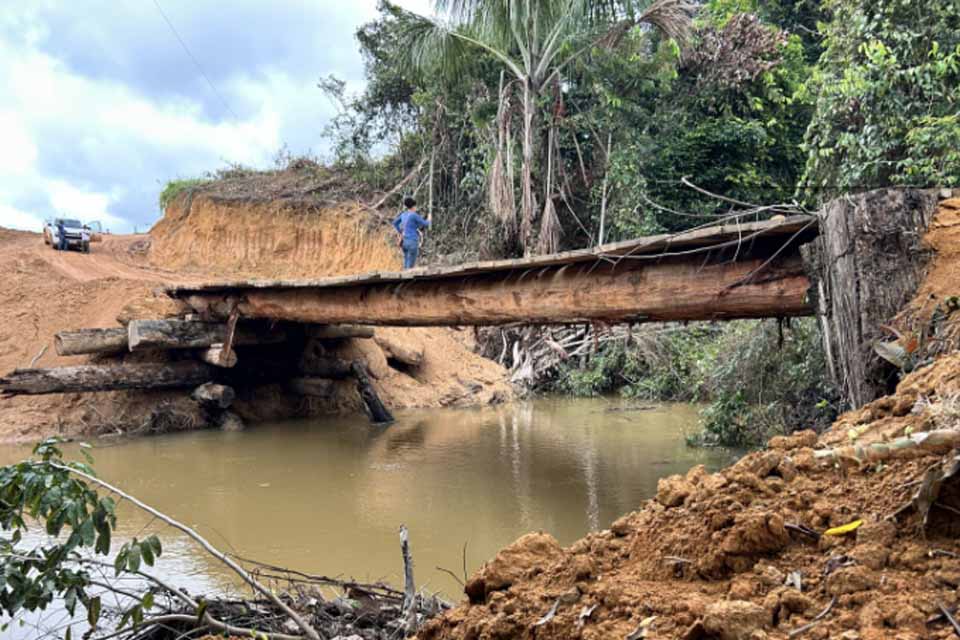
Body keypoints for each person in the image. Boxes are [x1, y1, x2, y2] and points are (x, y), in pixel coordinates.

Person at [392, 197, 431, 269]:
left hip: (404, 242)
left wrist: (400, 231)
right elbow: (425, 224)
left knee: (406, 262)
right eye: (415, 206)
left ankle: (404, 278)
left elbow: (394, 223)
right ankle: (408, 278)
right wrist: (429, 219)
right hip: (412, 241)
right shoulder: (414, 215)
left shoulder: (403, 214)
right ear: (413, 206)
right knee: (411, 266)